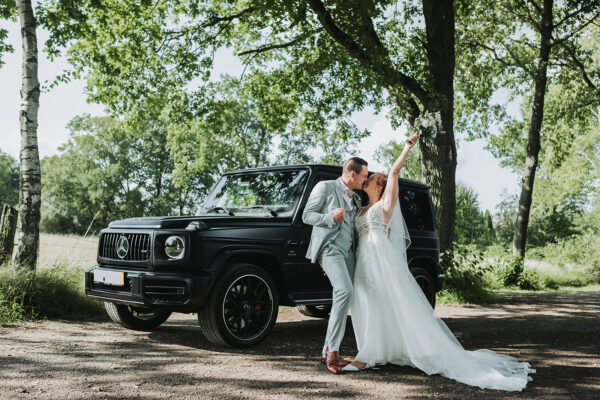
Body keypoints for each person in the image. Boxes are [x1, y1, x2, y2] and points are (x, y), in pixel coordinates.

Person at [343, 133, 535, 391]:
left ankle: (366, 356)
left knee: (387, 300)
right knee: (366, 302)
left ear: (380, 186)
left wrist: (407, 147)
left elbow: (394, 172)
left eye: (373, 179)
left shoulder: (385, 206)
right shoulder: (362, 209)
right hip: (364, 261)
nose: (368, 180)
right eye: (368, 178)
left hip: (380, 260)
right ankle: (374, 350)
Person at [302, 156, 368, 374]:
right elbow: (306, 215)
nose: (365, 180)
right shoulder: (325, 187)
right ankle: (332, 351)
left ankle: (327, 350)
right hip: (330, 248)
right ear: (352, 174)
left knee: (349, 295)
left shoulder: (356, 198)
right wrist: (330, 216)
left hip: (348, 252)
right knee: (344, 290)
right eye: (364, 176)